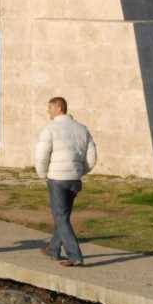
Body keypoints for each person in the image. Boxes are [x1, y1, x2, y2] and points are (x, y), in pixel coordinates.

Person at [34, 96, 97, 267]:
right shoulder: (82, 129)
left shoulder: (49, 129)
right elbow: (92, 157)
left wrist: (43, 174)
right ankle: (53, 249)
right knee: (63, 216)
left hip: (57, 179)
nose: (48, 111)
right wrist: (80, 171)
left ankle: (75, 256)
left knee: (61, 218)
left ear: (59, 108)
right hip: (75, 180)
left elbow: (41, 155)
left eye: (50, 108)